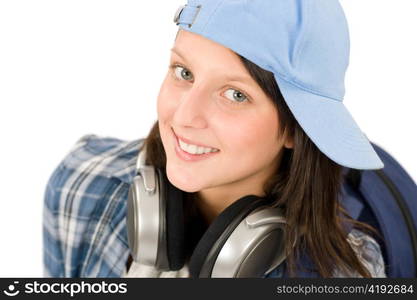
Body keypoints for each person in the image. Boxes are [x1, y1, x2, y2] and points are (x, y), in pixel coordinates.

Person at [43, 0, 386, 278]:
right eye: (184, 72)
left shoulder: (343, 275)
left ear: (296, 129)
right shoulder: (81, 182)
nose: (184, 117)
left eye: (235, 95)